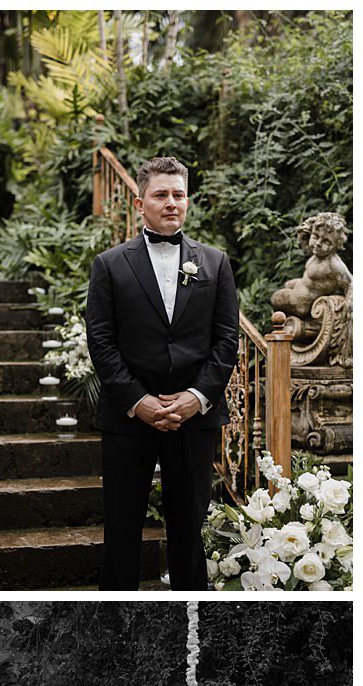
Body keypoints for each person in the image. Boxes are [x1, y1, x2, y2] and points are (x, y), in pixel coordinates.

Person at [85, 155, 239, 591]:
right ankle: (115, 625)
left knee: (191, 531)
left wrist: (197, 397)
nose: (171, 202)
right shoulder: (110, 265)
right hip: (128, 417)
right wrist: (138, 401)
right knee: (121, 530)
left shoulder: (216, 262)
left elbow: (226, 340)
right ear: (139, 203)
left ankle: (193, 622)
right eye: (161, 195)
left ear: (187, 200)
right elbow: (102, 342)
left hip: (195, 418)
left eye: (178, 194)